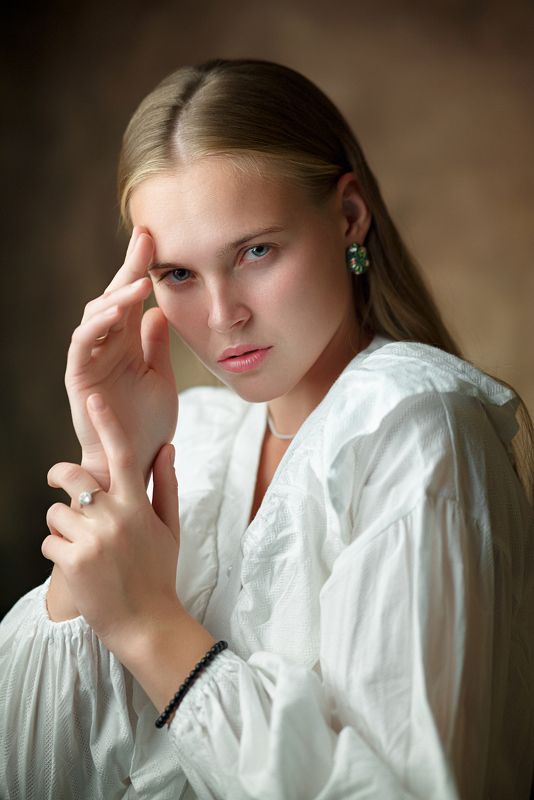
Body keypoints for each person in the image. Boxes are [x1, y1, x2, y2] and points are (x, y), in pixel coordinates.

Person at [0, 57, 533, 800]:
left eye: (255, 251)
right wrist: (115, 460)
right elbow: (35, 772)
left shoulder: (413, 425)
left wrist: (155, 628)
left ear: (348, 216)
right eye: (178, 274)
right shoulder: (206, 436)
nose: (223, 317)